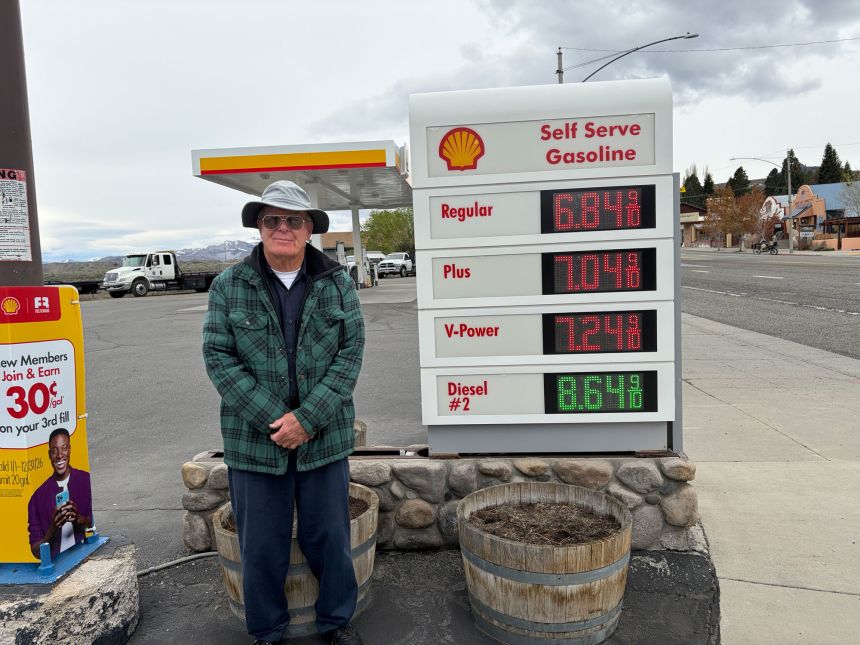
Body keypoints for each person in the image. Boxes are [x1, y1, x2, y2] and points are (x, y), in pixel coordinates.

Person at [203, 180, 365, 645]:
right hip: (255, 443)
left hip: (324, 438)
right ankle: (267, 632)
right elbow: (219, 358)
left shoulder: (338, 283)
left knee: (330, 540)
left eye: (294, 220)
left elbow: (349, 357)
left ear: (309, 229)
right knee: (261, 548)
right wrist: (278, 420)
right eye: (272, 219)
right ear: (259, 226)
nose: (283, 228)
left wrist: (307, 419)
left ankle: (336, 622)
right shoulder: (229, 287)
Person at [27, 427, 93, 559]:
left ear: (69, 449)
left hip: (83, 555)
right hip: (55, 565)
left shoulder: (85, 480)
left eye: (64, 448)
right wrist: (53, 528)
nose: (59, 455)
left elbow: (93, 525)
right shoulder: (37, 498)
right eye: (54, 450)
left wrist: (77, 519)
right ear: (49, 455)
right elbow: (36, 552)